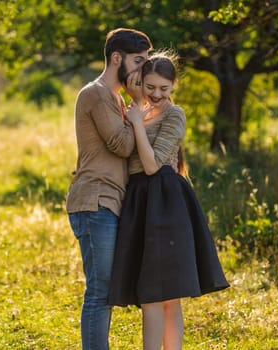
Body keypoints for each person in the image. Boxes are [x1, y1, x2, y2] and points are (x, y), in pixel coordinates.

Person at [108, 52, 230, 350]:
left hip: (164, 201)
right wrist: (136, 115)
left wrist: (136, 123)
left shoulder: (174, 115)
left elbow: (152, 166)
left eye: (164, 88)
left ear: (174, 85)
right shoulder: (139, 112)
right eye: (151, 87)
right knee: (155, 294)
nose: (157, 94)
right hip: (140, 203)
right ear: (141, 83)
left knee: (161, 294)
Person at [66, 28, 153, 350]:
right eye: (138, 61)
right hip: (94, 201)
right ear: (117, 57)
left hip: (110, 202)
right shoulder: (97, 93)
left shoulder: (115, 98)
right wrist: (140, 106)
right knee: (100, 292)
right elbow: (122, 145)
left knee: (108, 290)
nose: (142, 70)